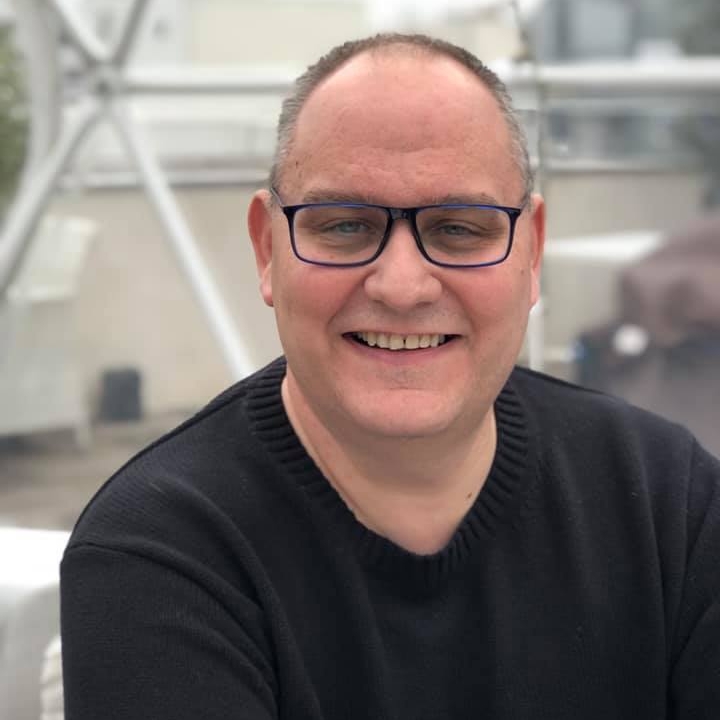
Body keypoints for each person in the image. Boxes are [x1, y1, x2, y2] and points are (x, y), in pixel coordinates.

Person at [60, 34, 720, 719]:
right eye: (344, 226)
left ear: (531, 252)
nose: (402, 286)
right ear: (267, 249)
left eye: (459, 228)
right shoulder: (161, 553)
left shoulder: (666, 502)